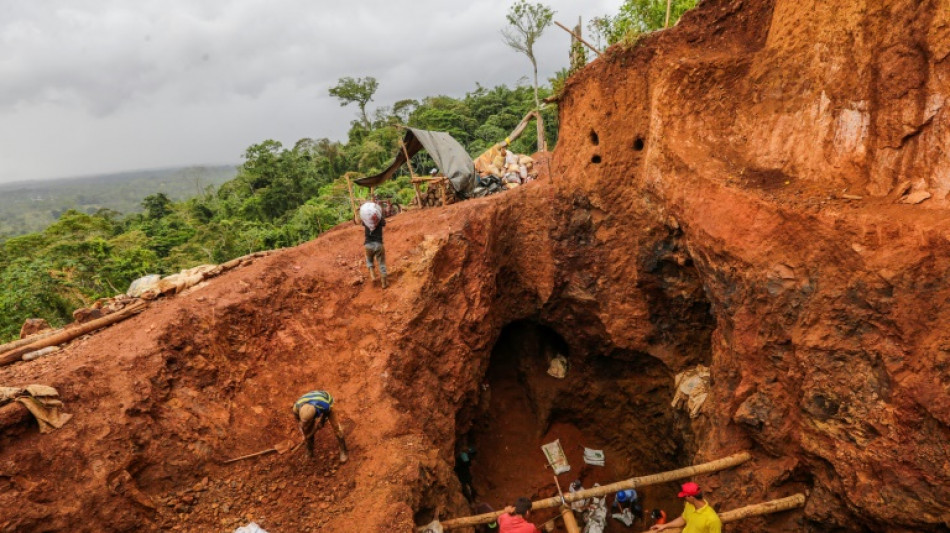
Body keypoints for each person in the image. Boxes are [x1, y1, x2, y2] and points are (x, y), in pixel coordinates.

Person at [292, 390, 348, 463]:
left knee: (336, 427)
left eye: (309, 422)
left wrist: (322, 421)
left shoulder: (324, 405)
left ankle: (343, 450)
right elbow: (299, 422)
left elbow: (327, 412)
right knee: (307, 429)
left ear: (313, 417)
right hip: (311, 402)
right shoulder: (296, 408)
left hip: (327, 400)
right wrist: (304, 434)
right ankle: (309, 451)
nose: (307, 423)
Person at [650, 482, 721, 532]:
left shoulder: (712, 519)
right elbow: (683, 519)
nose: (684, 498)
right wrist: (665, 526)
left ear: (691, 497)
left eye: (685, 496)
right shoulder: (689, 505)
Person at [360, 201, 387, 288]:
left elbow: (362, 221)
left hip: (368, 245)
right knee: (381, 263)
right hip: (378, 244)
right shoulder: (380, 221)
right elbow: (384, 223)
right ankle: (384, 283)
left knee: (369, 260)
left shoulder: (366, 221)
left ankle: (372, 275)